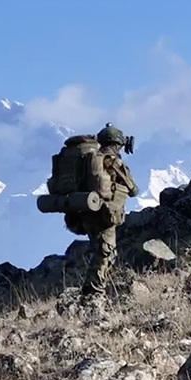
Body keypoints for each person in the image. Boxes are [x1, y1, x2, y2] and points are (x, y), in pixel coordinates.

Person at [79, 124, 139, 295]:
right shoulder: (113, 161)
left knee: (99, 250)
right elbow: (133, 189)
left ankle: (91, 289)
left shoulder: (89, 161)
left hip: (86, 211)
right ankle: (93, 293)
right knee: (105, 252)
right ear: (117, 143)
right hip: (104, 215)